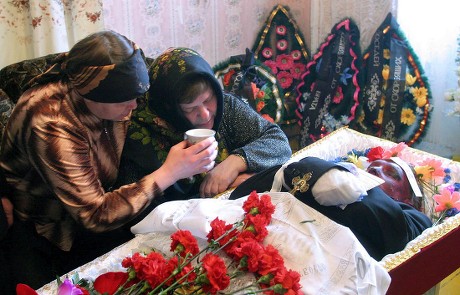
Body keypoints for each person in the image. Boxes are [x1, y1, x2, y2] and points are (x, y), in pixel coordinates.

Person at [0, 31, 217, 290]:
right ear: (90, 96)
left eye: (138, 95)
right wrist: (169, 172)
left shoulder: (117, 78)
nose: (136, 106)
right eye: (125, 101)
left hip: (104, 204)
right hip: (46, 229)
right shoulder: (51, 123)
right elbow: (94, 214)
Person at [116, 47, 291, 204]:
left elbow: (278, 141)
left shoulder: (226, 106)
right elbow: (141, 208)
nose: (205, 114)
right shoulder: (140, 134)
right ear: (169, 110)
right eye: (190, 109)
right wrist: (226, 186)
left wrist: (235, 163)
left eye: (208, 100)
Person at [230, 156, 433, 261]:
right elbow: (241, 195)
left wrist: (317, 172)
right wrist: (319, 173)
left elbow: (395, 229)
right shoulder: (330, 181)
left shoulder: (416, 221)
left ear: (408, 201)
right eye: (372, 166)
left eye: (392, 174)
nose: (376, 169)